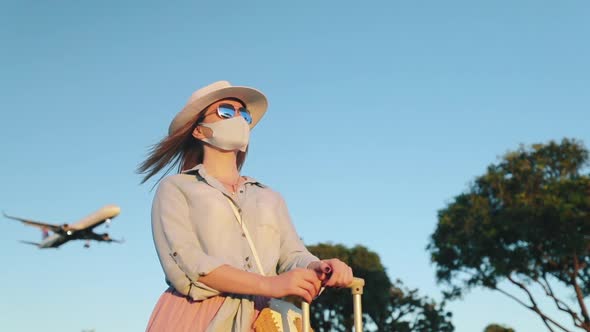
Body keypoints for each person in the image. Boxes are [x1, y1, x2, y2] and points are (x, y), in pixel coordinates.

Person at [138, 81, 354, 332]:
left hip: (266, 318)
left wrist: (319, 267)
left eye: (245, 114)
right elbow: (188, 264)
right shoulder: (176, 188)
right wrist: (270, 285)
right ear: (199, 131)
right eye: (226, 111)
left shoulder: (269, 197)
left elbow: (292, 254)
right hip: (200, 315)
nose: (239, 119)